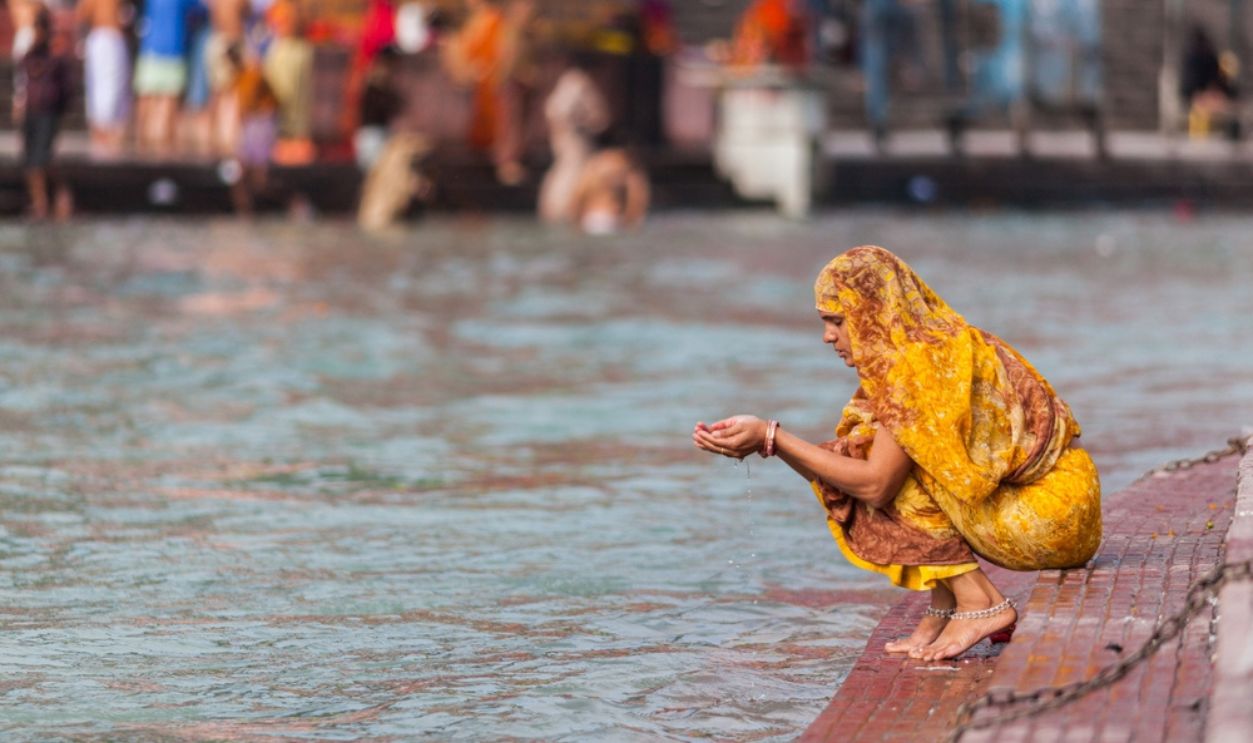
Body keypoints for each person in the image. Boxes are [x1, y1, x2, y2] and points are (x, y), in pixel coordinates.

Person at [692, 246, 1102, 661]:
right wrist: (769, 444)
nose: (827, 337)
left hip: (1045, 518)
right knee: (870, 453)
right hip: (1070, 509)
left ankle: (981, 602)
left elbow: (875, 486)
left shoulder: (917, 367)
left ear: (872, 314)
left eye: (837, 321)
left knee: (894, 469)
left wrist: (773, 435)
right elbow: (847, 469)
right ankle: (945, 606)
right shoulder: (932, 344)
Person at [440, 0, 533, 185]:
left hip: (496, 85)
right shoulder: (465, 28)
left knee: (509, 93)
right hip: (471, 90)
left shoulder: (501, 24)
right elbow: (457, 67)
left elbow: (509, 60)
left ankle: (506, 159)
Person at [14, 5, 72, 219]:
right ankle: (39, 203)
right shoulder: (30, 55)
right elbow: (22, 78)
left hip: (48, 112)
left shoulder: (56, 56)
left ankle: (59, 196)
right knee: (30, 160)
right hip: (31, 110)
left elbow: (67, 89)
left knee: (43, 158)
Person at [538, 60, 609, 224]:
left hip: (571, 138)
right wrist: (584, 122)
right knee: (574, 171)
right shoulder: (577, 82)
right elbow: (598, 117)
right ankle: (567, 208)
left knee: (572, 170)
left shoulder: (571, 82)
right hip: (573, 139)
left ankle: (569, 208)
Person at [133, 0, 202, 156]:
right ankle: (165, 150)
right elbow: (201, 12)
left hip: (149, 50)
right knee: (169, 100)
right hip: (173, 51)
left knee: (146, 98)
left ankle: (141, 145)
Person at [76, 0, 132, 157]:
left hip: (99, 38)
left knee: (104, 88)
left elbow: (82, 14)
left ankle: (104, 137)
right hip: (108, 37)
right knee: (108, 87)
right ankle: (105, 138)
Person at [263, 0, 315, 164]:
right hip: (302, 133)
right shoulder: (306, 50)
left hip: (287, 134)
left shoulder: (284, 53)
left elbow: (280, 94)